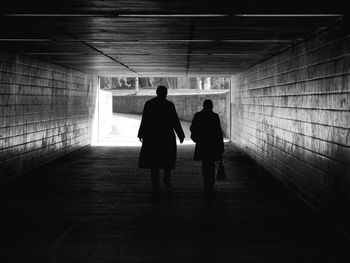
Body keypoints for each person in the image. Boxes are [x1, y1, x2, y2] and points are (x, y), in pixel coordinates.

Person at [138, 86, 185, 192]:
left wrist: (141, 134)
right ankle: (166, 179)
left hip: (152, 137)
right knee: (167, 159)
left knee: (154, 161)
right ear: (165, 93)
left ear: (156, 92)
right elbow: (175, 121)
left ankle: (155, 183)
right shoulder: (169, 105)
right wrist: (180, 135)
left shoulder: (149, 104)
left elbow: (145, 120)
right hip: (167, 136)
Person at [190, 99, 224, 192]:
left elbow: (192, 128)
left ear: (203, 106)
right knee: (211, 163)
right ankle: (211, 181)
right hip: (212, 144)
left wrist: (197, 138)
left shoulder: (198, 115)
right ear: (211, 106)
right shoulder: (215, 116)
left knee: (205, 164)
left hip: (202, 144)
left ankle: (206, 182)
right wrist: (221, 146)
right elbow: (218, 133)